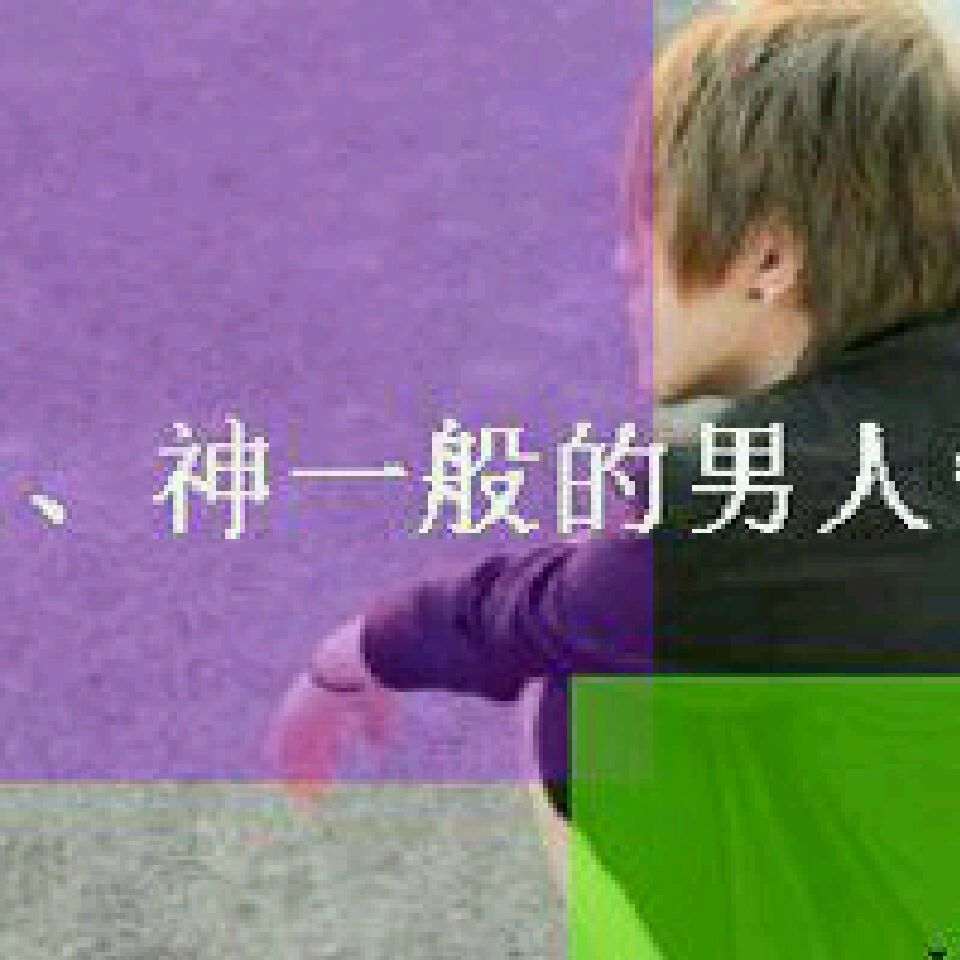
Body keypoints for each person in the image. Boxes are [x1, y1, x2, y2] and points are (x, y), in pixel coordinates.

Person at [268, 0, 960, 952]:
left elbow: (547, 610)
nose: (623, 261)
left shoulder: (751, 495)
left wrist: (355, 652)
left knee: (590, 692)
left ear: (768, 256)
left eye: (648, 222)